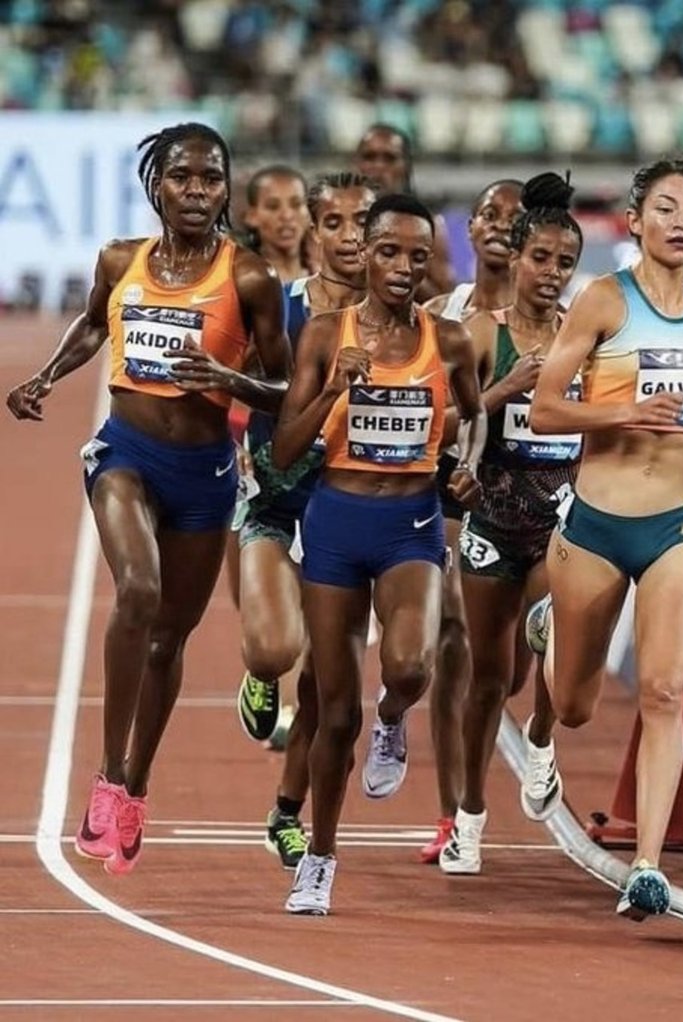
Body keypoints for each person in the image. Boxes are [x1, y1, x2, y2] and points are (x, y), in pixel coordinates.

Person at [5, 122, 291, 875]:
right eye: (182, 177)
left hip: (205, 473)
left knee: (170, 637)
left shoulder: (250, 277)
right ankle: (104, 778)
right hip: (127, 454)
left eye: (210, 179)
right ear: (155, 185)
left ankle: (136, 783)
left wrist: (227, 381)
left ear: (227, 189)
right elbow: (94, 323)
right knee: (137, 590)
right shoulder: (120, 259)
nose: (196, 191)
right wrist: (44, 377)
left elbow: (288, 390)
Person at [525, 156, 683, 920]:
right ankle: (552, 631)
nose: (681, 221)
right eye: (666, 208)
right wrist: (622, 414)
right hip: (597, 522)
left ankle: (648, 865)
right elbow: (549, 409)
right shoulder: (601, 303)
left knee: (662, 690)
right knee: (575, 703)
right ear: (635, 221)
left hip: (681, 520)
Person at [272, 193, 486, 915]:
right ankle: (321, 859)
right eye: (388, 252)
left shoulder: (448, 339)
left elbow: (477, 412)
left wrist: (470, 464)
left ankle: (395, 717)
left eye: (416, 256)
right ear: (363, 253)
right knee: (334, 715)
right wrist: (335, 389)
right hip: (335, 521)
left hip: (411, 523)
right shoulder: (325, 335)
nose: (401, 267)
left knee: (410, 667)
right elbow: (283, 451)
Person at [438, 172, 583, 875]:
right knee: (489, 678)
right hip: (491, 521)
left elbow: (601, 430)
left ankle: (544, 739)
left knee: (557, 633)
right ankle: (468, 816)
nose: (552, 274)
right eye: (542, 259)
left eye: (565, 263)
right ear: (516, 258)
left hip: (557, 522)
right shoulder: (477, 335)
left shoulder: (587, 338)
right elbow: (435, 422)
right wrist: (502, 392)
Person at [234, 172, 378, 869]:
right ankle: (259, 677)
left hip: (348, 516)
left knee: (329, 682)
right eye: (337, 223)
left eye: (364, 224)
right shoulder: (277, 305)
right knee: (273, 651)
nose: (351, 237)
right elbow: (238, 379)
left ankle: (285, 812)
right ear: (314, 235)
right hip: (273, 501)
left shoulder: (401, 323)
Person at [414, 177, 525, 865]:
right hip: (454, 491)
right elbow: (421, 415)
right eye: (487, 212)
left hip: (531, 503)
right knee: (454, 639)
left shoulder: (562, 317)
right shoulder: (439, 314)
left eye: (513, 218)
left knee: (504, 672)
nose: (496, 225)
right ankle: (452, 813)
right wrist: (499, 393)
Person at [223, 164, 313, 622]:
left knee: (320, 600)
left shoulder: (328, 283)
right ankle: (266, 680)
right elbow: (224, 366)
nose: (287, 217)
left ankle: (294, 692)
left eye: (296, 204)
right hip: (248, 442)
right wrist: (231, 440)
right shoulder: (242, 279)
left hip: (318, 449)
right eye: (273, 206)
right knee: (257, 602)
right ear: (252, 216)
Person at [354, 123, 455, 299]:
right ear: (357, 164)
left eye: (389, 158)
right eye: (369, 157)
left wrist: (398, 269)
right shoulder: (336, 225)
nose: (378, 167)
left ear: (406, 166)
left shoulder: (430, 227)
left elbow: (445, 302)